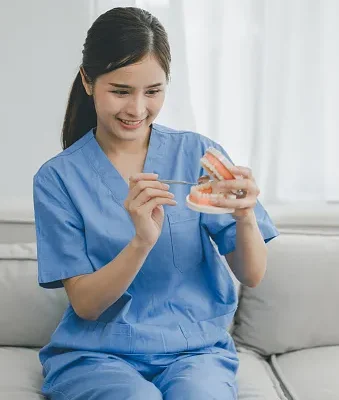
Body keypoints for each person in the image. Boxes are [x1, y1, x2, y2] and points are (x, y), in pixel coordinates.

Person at [33, 6, 279, 400]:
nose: (137, 109)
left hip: (194, 353)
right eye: (120, 91)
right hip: (98, 356)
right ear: (88, 81)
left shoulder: (198, 154)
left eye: (153, 91)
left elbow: (251, 275)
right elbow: (86, 307)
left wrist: (246, 214)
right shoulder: (57, 179)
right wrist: (141, 241)